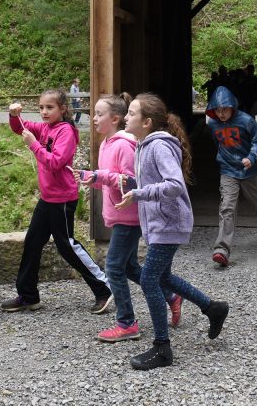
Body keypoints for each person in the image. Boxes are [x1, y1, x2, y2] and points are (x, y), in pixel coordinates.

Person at [116, 92, 230, 370]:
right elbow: (152, 182)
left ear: (147, 122)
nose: (126, 117)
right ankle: (213, 308)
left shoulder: (159, 146)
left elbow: (175, 185)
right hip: (160, 223)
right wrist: (128, 184)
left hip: (169, 223)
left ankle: (162, 348)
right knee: (163, 277)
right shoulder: (143, 145)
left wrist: (140, 193)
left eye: (131, 113)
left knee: (149, 280)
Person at [78, 93, 183, 342]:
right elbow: (111, 180)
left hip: (130, 215)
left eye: (99, 114)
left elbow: (133, 182)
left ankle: (126, 322)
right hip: (120, 214)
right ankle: (170, 295)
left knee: (113, 267)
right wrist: (94, 179)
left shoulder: (124, 145)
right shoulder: (106, 144)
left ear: (114, 119)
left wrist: (102, 176)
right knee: (129, 267)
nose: (94, 118)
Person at [1, 89, 111, 313]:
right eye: (41, 107)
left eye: (49, 107)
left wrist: (34, 144)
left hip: (62, 199)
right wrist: (13, 115)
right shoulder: (45, 128)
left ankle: (104, 288)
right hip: (47, 198)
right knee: (32, 242)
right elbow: (20, 127)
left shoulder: (66, 131)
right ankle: (28, 296)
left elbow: (55, 162)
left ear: (63, 109)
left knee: (67, 246)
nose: (44, 112)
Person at [205, 86, 257, 267]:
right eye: (217, 110)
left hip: (250, 171)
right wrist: (224, 158)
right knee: (227, 207)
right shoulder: (213, 124)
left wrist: (252, 157)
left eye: (225, 109)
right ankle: (222, 249)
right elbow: (217, 143)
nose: (221, 114)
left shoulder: (246, 120)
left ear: (233, 106)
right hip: (228, 170)